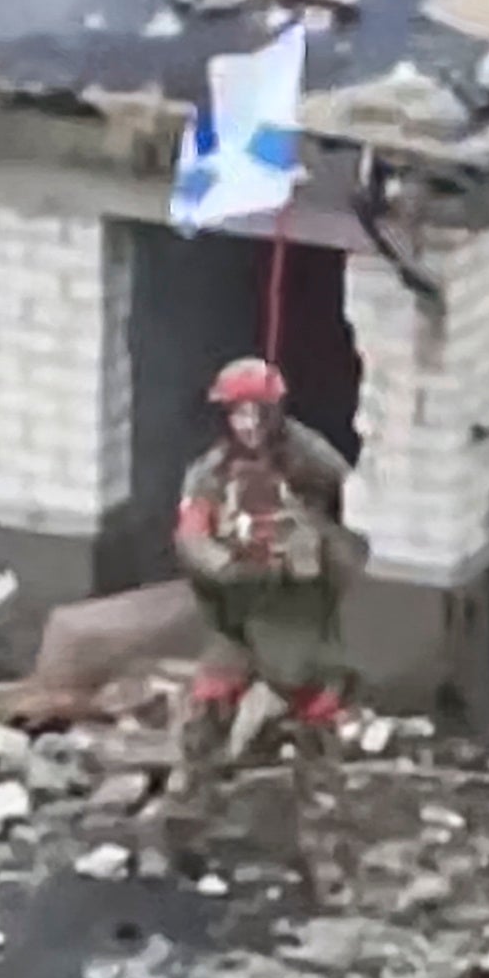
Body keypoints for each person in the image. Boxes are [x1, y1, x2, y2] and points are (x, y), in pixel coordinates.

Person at [172, 356, 371, 882]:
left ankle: (324, 847)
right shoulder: (210, 472)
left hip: (300, 618)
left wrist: (315, 546)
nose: (248, 426)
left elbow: (356, 519)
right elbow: (192, 534)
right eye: (238, 414)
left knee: (317, 724)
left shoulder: (314, 461)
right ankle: (187, 828)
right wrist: (225, 565)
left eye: (258, 413)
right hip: (241, 614)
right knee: (207, 711)